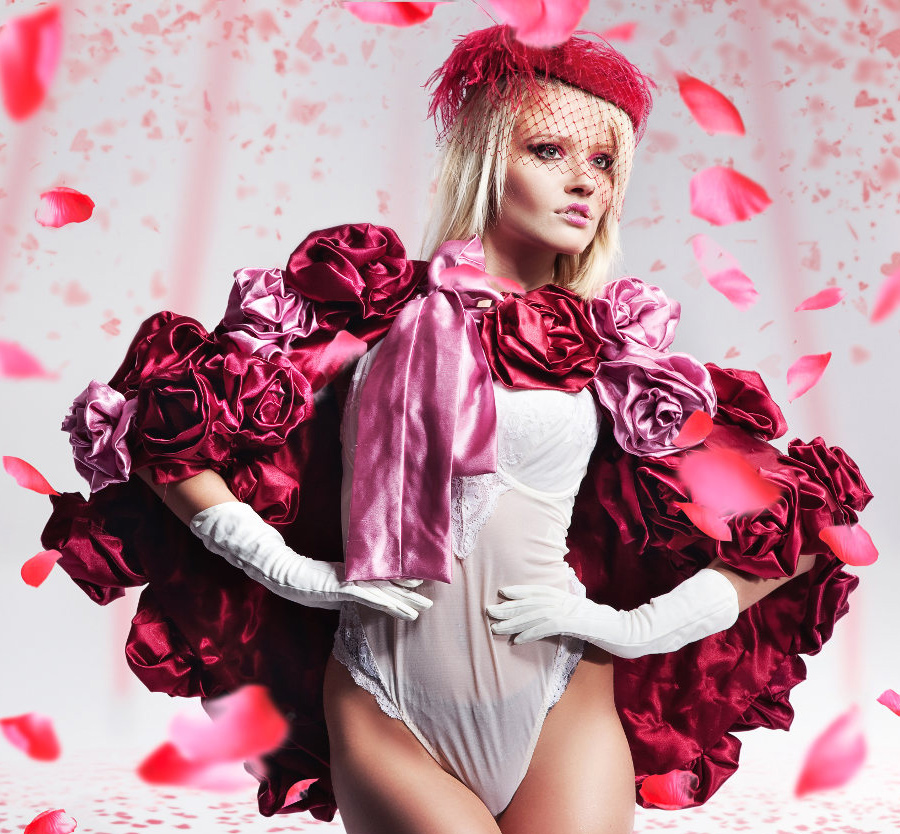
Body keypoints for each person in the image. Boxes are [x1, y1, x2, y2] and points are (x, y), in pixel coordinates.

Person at [43, 24, 872, 834]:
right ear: (484, 159)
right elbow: (159, 432)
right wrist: (294, 573)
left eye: (604, 162)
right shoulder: (366, 311)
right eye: (548, 151)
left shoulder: (619, 357)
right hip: (384, 700)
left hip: (561, 699)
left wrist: (633, 628)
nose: (584, 183)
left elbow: (806, 525)